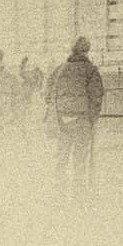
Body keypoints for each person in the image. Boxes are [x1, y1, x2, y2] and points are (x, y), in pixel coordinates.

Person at [45, 36, 104, 195]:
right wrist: (92, 119)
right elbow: (97, 97)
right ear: (86, 51)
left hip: (61, 120)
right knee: (80, 157)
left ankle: (58, 190)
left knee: (61, 156)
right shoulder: (91, 70)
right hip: (82, 120)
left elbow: (48, 94)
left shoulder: (59, 69)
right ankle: (79, 192)